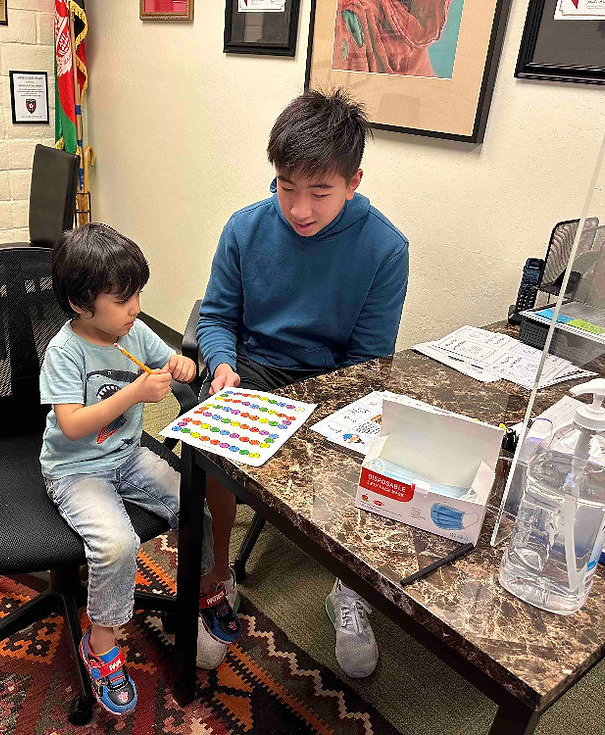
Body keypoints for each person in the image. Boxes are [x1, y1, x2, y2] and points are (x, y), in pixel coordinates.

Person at [196, 89, 409, 676]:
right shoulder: (245, 228)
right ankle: (218, 577)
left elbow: (369, 360)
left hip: (336, 380)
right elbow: (216, 318)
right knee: (209, 445)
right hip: (256, 366)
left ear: (353, 181)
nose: (299, 209)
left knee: (384, 447)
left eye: (320, 192)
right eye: (286, 187)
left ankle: (349, 587)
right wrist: (222, 366)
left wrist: (324, 412)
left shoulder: (385, 248)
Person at [40, 223, 240, 716]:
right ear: (81, 304)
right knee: (116, 544)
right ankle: (100, 641)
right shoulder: (64, 352)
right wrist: (133, 393)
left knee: (192, 501)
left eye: (138, 296)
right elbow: (71, 426)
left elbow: (167, 360)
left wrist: (181, 366)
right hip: (76, 469)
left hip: (127, 455)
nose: (134, 308)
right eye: (122, 299)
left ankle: (203, 588)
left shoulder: (131, 329)